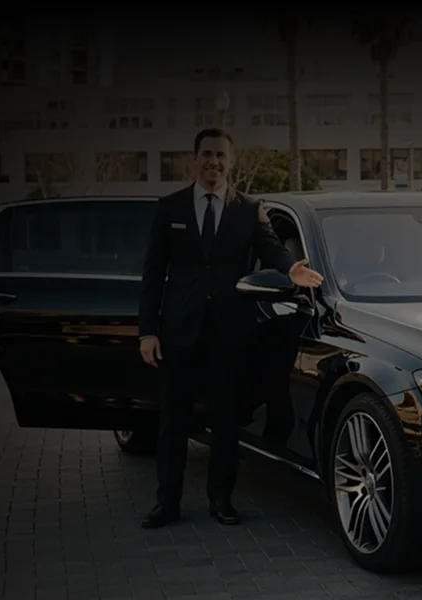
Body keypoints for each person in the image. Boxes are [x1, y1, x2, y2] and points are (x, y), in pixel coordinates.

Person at [136, 127, 325, 528]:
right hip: (178, 333)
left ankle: (221, 501)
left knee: (225, 421)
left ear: (231, 162)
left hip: (228, 333)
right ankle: (166, 504)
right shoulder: (170, 208)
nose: (213, 162)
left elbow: (271, 247)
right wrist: (147, 331)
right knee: (172, 422)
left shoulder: (248, 207)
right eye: (206, 154)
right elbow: (153, 274)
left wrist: (291, 267)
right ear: (194, 159)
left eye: (221, 156)